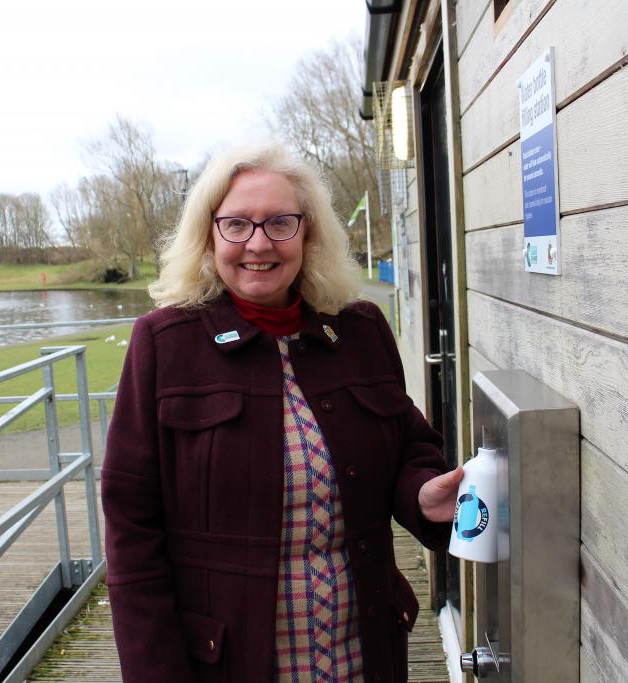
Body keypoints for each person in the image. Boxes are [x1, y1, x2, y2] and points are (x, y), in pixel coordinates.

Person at [101, 142, 464, 683]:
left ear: (308, 234)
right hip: (228, 664)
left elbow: (409, 445)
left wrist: (420, 494)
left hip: (363, 656)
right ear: (209, 234)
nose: (258, 243)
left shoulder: (360, 330)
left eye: (280, 223)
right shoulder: (163, 344)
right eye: (237, 225)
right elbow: (132, 529)